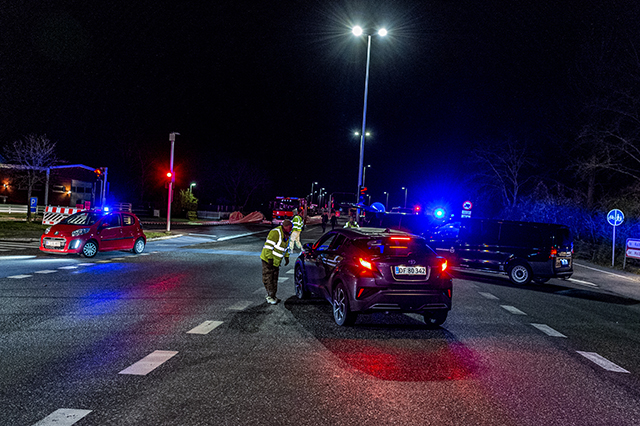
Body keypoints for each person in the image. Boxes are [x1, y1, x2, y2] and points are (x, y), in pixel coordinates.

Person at [260, 219, 292, 304]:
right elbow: (268, 248)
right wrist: (269, 259)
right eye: (290, 227)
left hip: (276, 261)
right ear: (285, 227)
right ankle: (270, 296)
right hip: (268, 260)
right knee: (268, 278)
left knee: (274, 279)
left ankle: (273, 296)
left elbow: (286, 247)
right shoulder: (275, 233)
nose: (291, 229)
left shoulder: (287, 234)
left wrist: (286, 257)